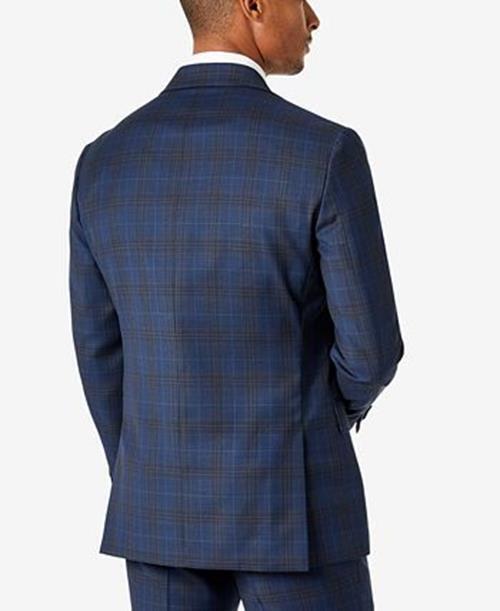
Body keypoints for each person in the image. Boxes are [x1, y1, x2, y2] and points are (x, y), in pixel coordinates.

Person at [69, 0, 404, 608]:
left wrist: (150, 468)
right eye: (300, 0)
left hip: (160, 509)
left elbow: (99, 354)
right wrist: (316, 420)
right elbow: (372, 352)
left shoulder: (103, 161)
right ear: (254, 5)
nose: (313, 17)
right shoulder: (325, 151)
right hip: (297, 503)